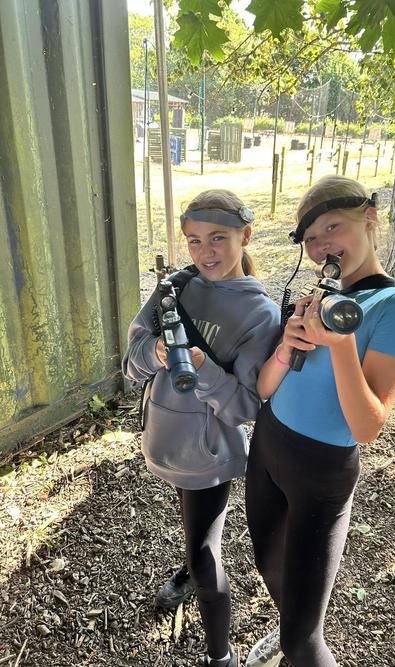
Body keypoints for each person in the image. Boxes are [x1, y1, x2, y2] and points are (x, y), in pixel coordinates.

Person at [244, 175, 395, 667]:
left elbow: (367, 427)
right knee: (269, 566)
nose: (322, 245)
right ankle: (289, 624)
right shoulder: (319, 300)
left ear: (369, 219)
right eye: (311, 237)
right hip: (268, 447)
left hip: (320, 471)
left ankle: (296, 637)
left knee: (303, 643)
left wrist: (341, 343)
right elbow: (267, 388)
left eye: (333, 227)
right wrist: (288, 344)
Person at [122, 190, 281, 667]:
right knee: (194, 531)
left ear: (245, 236)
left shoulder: (260, 314)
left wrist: (203, 369)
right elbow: (131, 360)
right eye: (194, 240)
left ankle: (220, 655)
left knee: (205, 556)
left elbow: (246, 405)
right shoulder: (175, 286)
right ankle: (190, 569)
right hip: (164, 441)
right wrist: (154, 353)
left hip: (208, 457)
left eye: (218, 238)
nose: (205, 252)